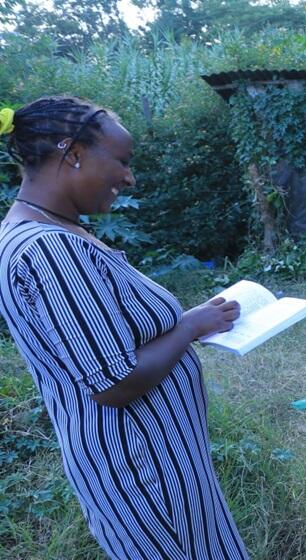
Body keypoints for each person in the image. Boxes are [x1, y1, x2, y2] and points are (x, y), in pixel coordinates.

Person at [0, 97, 248, 558]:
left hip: (153, 464)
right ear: (72, 153)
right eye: (122, 161)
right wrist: (189, 326)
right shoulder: (50, 250)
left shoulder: (44, 232)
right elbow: (114, 383)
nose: (129, 177)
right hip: (143, 471)